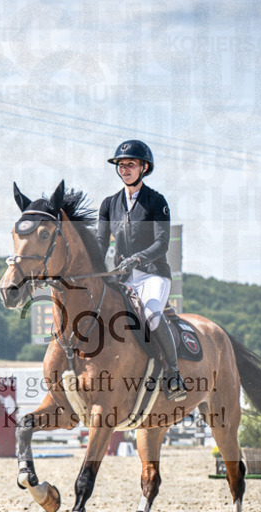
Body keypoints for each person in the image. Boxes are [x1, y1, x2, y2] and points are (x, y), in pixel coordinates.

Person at [96, 139, 185, 401]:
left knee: (152, 313)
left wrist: (136, 259)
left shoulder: (156, 201)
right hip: (122, 278)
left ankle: (174, 373)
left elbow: (162, 243)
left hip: (153, 274)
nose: (125, 169)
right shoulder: (108, 204)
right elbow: (100, 244)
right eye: (121, 165)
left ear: (144, 167)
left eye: (131, 164)